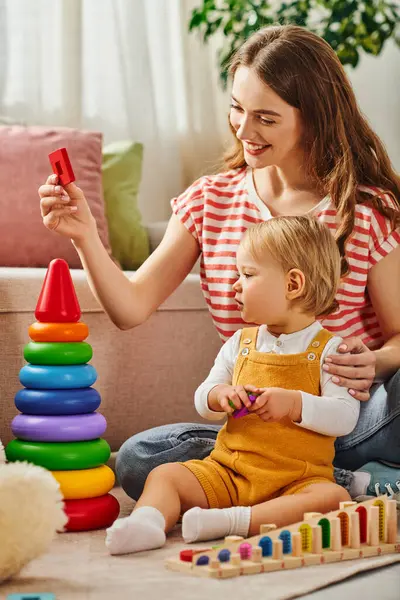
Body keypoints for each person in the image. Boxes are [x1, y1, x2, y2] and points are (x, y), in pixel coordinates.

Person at [38, 25, 400, 506]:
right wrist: (83, 233)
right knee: (138, 459)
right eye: (237, 108)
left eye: (266, 118)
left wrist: (372, 361)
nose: (244, 131)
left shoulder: (367, 210)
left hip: (349, 420)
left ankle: (321, 477)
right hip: (257, 435)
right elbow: (130, 307)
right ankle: (341, 484)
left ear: (312, 118)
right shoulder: (210, 201)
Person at [105, 215, 359, 555]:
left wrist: (295, 404)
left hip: (297, 481)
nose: (234, 285)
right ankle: (146, 523)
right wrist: (218, 396)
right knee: (166, 475)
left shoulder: (329, 349)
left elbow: (344, 417)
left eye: (248, 274)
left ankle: (232, 522)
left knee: (333, 498)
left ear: (293, 284)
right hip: (228, 472)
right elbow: (204, 395)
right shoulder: (240, 343)